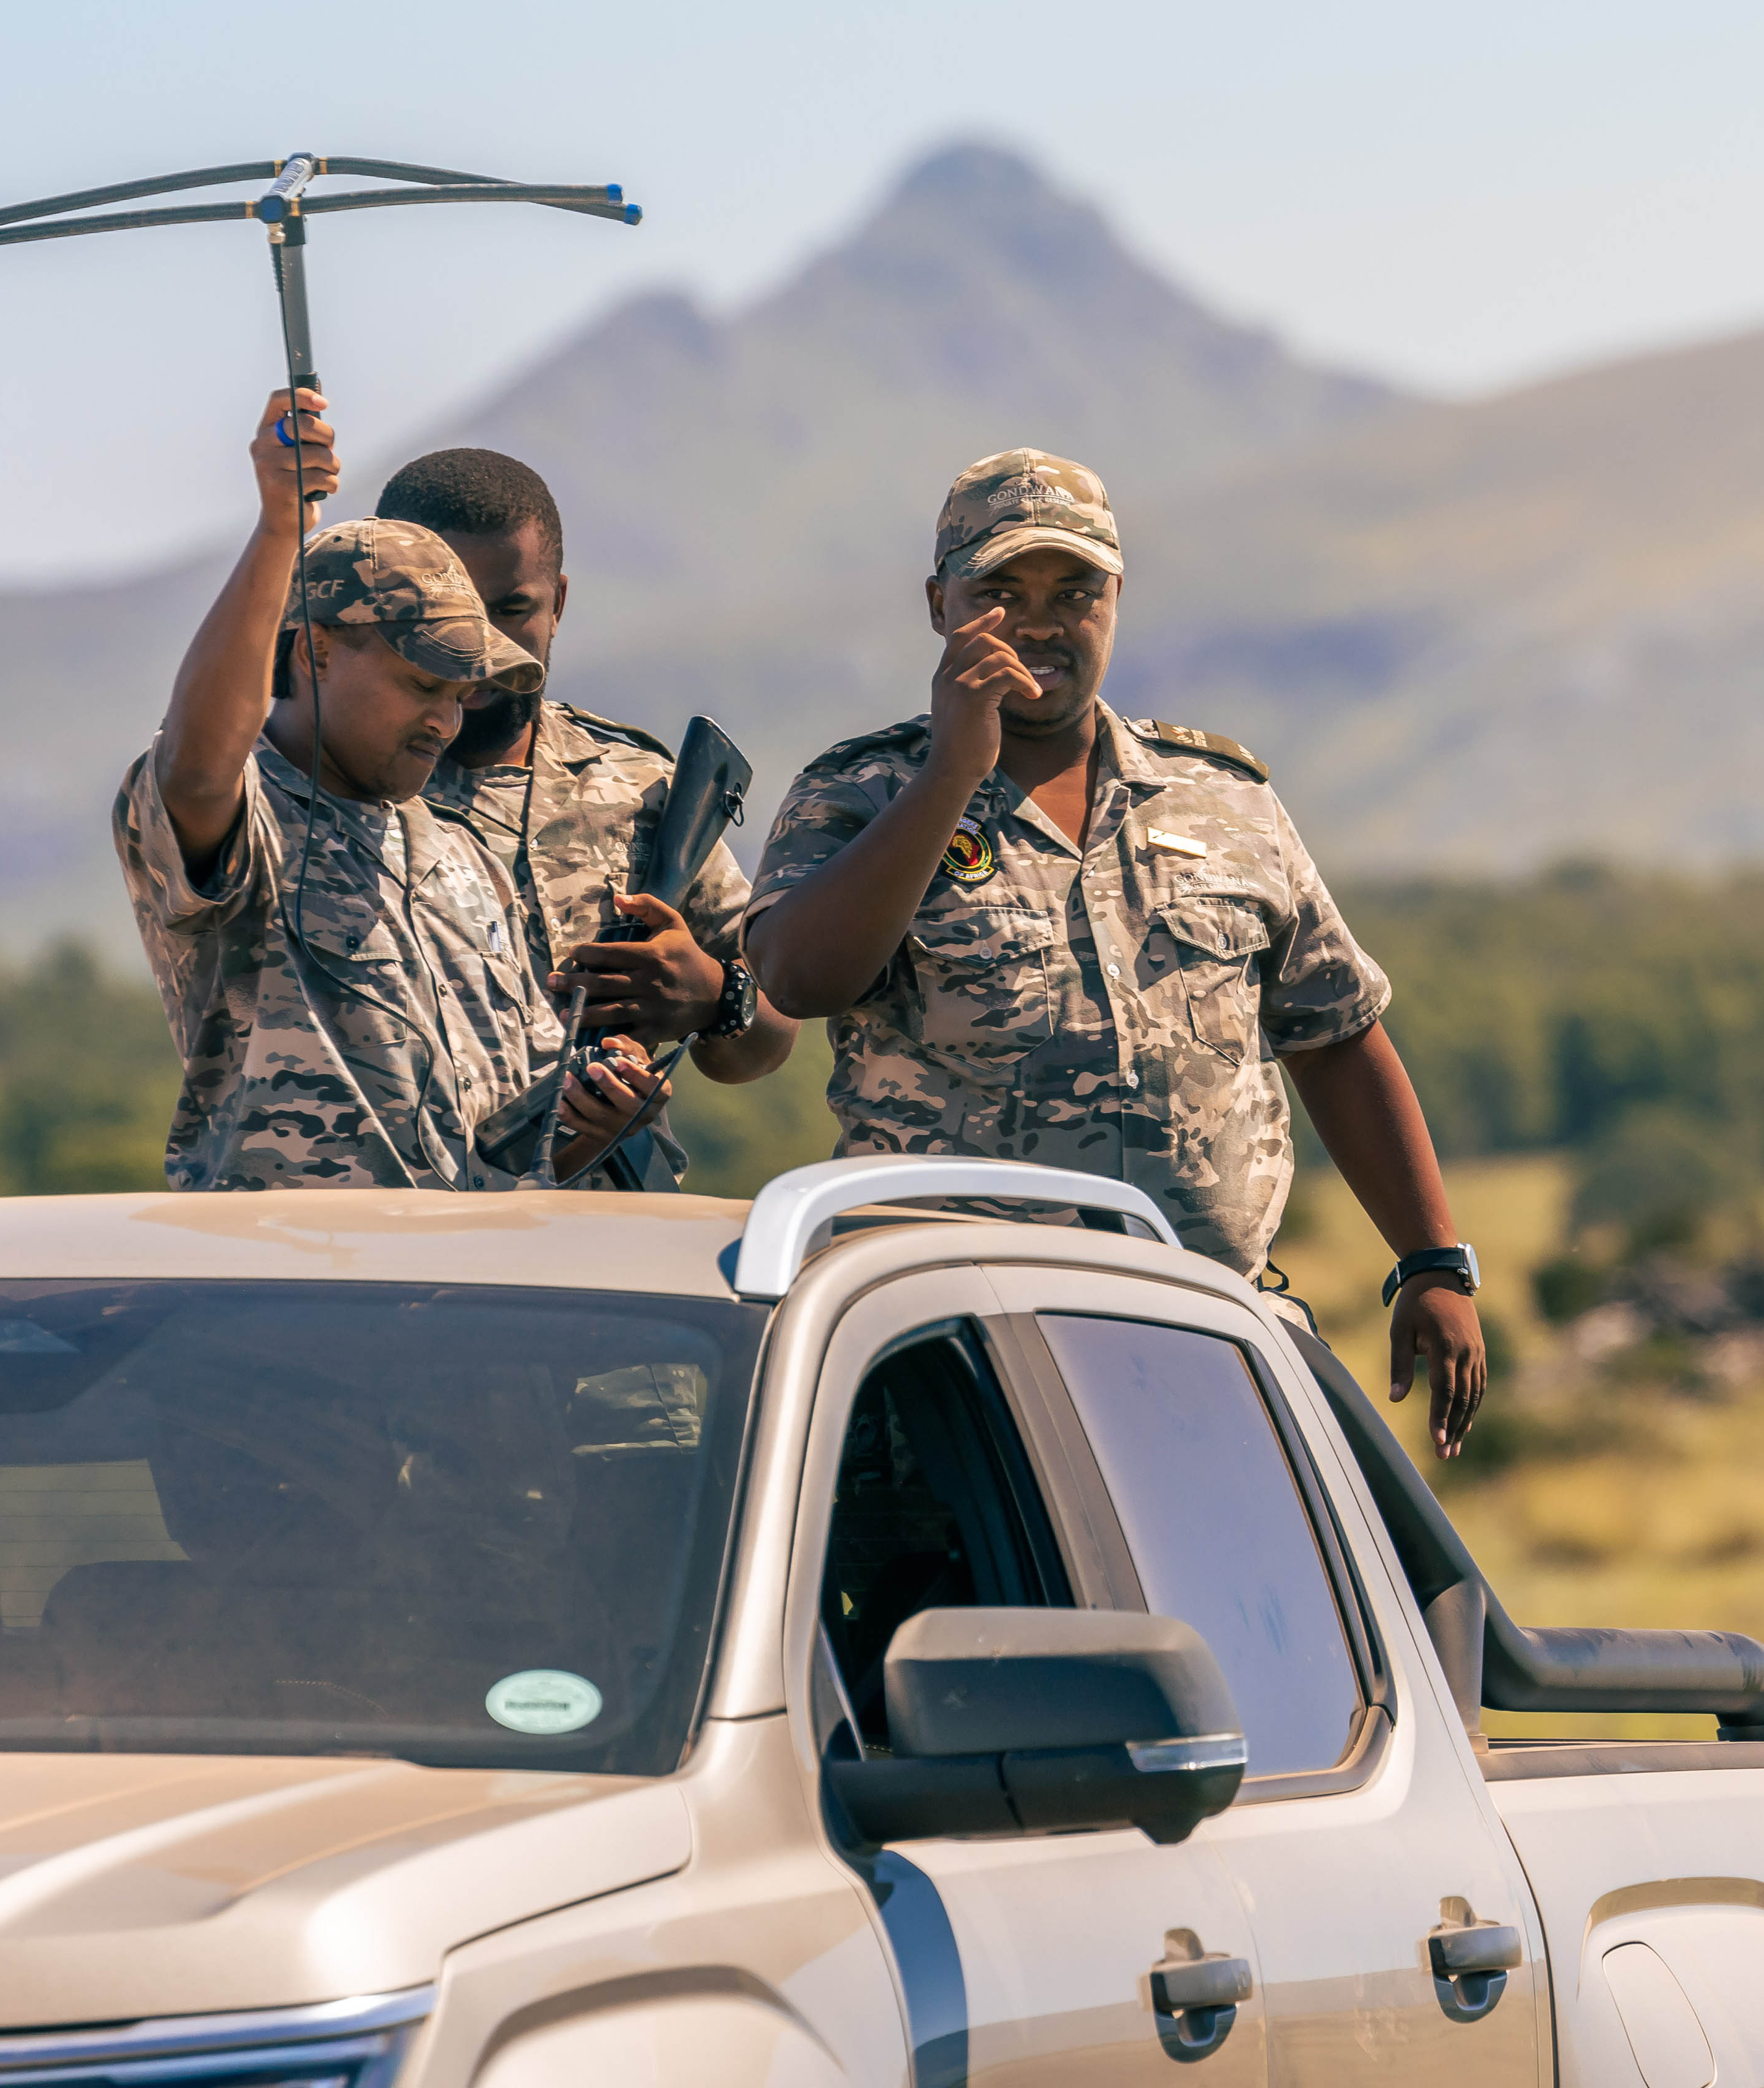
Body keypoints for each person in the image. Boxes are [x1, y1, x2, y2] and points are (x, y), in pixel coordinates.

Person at [747, 449, 1491, 1451]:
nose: (1042, 622)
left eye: (1075, 590)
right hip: (958, 1357)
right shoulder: (863, 793)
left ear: (1117, 598)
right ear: (939, 604)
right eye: (1001, 591)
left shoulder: (1226, 798)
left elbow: (1336, 1035)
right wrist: (952, 776)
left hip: (1202, 1335)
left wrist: (1430, 1261)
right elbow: (796, 977)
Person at [113, 389, 652, 1190]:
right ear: (317, 650)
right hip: (298, 1287)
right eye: (420, 682)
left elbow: (509, 1155)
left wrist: (593, 1118)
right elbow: (196, 764)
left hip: (456, 1292)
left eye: (460, 689)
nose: (449, 716)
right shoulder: (249, 818)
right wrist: (279, 531)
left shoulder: (468, 865)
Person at [386, 447, 798, 1186]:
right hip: (403, 1230)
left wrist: (709, 995)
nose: (482, 644)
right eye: (452, 613)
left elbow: (767, 1037)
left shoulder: (639, 787)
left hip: (605, 1235)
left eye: (512, 610)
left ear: (559, 602)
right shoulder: (344, 788)